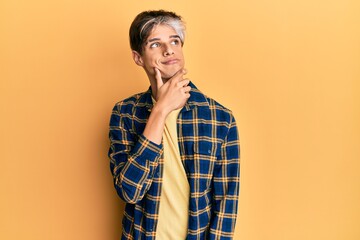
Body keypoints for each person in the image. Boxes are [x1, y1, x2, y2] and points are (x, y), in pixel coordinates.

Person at [108, 10, 240, 240]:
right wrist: (160, 111)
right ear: (138, 57)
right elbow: (129, 190)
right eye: (155, 44)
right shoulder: (125, 113)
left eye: (174, 41)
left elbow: (225, 207)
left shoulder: (220, 118)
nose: (168, 50)